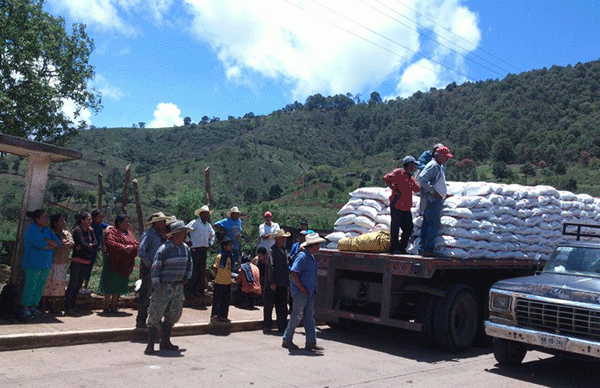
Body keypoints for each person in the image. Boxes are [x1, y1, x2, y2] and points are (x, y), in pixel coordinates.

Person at [145, 220, 193, 355]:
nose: (185, 236)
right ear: (175, 235)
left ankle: (165, 342)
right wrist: (157, 285)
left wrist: (187, 276)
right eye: (183, 234)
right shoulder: (164, 249)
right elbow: (156, 268)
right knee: (155, 314)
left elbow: (190, 264)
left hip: (178, 286)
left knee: (173, 314)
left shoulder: (185, 249)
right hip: (164, 286)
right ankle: (150, 345)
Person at [282, 233, 325, 351]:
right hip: (301, 293)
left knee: (309, 318)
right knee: (296, 316)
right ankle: (287, 339)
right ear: (312, 245)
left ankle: (311, 342)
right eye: (318, 245)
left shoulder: (310, 256)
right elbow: (293, 273)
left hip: (309, 292)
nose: (319, 247)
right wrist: (301, 288)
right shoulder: (302, 257)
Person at [20, 209, 60, 320]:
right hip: (33, 263)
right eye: (44, 217)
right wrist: (49, 243)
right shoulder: (32, 230)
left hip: (45, 264)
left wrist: (49, 241)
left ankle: (34, 306)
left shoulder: (47, 230)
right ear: (37, 219)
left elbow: (57, 242)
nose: (46, 219)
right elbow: (41, 244)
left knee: (39, 286)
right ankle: (25, 307)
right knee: (30, 285)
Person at [418, 146, 453, 256]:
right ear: (439, 156)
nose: (447, 160)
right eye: (445, 157)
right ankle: (427, 249)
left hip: (434, 200)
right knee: (433, 224)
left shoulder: (438, 166)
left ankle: (422, 247)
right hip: (432, 200)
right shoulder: (433, 165)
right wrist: (432, 191)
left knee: (427, 223)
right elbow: (422, 179)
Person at [136, 212, 169, 329]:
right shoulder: (148, 234)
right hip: (149, 267)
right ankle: (141, 320)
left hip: (160, 268)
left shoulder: (163, 236)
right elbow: (141, 251)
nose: (164, 224)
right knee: (145, 294)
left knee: (158, 295)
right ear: (156, 223)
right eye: (162, 221)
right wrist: (149, 264)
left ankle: (155, 320)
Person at [101, 215, 139, 314]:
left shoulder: (129, 233)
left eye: (128, 222)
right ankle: (106, 306)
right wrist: (122, 247)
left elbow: (136, 244)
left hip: (124, 263)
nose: (128, 224)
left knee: (118, 283)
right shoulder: (111, 231)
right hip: (113, 261)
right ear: (119, 223)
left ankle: (114, 305)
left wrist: (131, 247)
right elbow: (110, 242)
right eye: (126, 222)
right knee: (109, 283)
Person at [383, 156, 420, 254]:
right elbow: (386, 178)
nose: (414, 167)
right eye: (413, 164)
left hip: (406, 207)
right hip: (397, 205)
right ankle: (394, 248)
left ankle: (402, 247)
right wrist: (394, 189)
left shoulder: (410, 177)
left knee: (408, 228)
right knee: (395, 227)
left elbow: (417, 189)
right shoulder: (398, 172)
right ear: (409, 164)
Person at [64, 211, 97, 316]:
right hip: (77, 260)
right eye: (88, 219)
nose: (90, 221)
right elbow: (82, 243)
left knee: (78, 285)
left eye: (91, 219)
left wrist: (87, 246)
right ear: (82, 220)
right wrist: (87, 246)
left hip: (86, 260)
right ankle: (68, 307)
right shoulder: (77, 231)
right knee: (73, 284)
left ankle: (73, 306)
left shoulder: (90, 231)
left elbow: (96, 243)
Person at [42, 214, 74, 315]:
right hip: (50, 262)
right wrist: (61, 244)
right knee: (47, 284)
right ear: (55, 223)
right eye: (61, 221)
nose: (64, 223)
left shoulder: (66, 233)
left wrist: (60, 244)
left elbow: (71, 243)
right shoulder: (49, 232)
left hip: (62, 262)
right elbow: (51, 243)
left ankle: (54, 307)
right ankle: (43, 307)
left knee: (59, 285)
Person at [264, 229, 291, 334]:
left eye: (284, 238)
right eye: (282, 238)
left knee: (282, 306)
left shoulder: (284, 251)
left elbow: (289, 261)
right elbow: (270, 267)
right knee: (269, 306)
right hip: (274, 284)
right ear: (277, 239)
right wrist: (272, 282)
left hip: (283, 284)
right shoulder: (271, 251)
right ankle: (267, 326)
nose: (283, 240)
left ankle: (282, 326)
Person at [185, 205, 215, 299]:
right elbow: (185, 230)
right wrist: (187, 240)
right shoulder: (195, 223)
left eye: (207, 214)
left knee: (201, 271)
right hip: (195, 250)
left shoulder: (208, 225)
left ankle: (199, 291)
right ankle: (189, 291)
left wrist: (211, 243)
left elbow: (213, 234)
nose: (206, 215)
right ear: (200, 214)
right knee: (193, 270)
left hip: (203, 250)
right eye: (204, 213)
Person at [81, 209, 108, 294]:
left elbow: (109, 227)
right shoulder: (89, 226)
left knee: (89, 267)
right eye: (99, 217)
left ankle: (85, 286)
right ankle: (79, 285)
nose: (101, 218)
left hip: (94, 250)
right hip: (85, 249)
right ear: (94, 217)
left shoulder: (101, 225)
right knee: (82, 267)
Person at [211, 237, 234, 324]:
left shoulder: (231, 256)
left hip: (227, 281)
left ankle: (223, 316)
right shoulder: (220, 256)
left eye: (231, 245)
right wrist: (216, 276)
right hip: (219, 282)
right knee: (217, 300)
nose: (231, 246)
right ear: (224, 246)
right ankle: (215, 316)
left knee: (225, 300)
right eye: (229, 245)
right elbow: (215, 268)